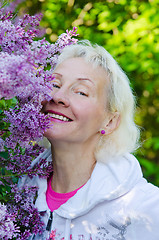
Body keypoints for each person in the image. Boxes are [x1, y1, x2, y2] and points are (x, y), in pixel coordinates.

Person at [19, 40, 159, 240]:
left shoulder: (144, 208)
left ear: (110, 121)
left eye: (81, 92)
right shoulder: (20, 190)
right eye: (54, 84)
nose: (58, 96)